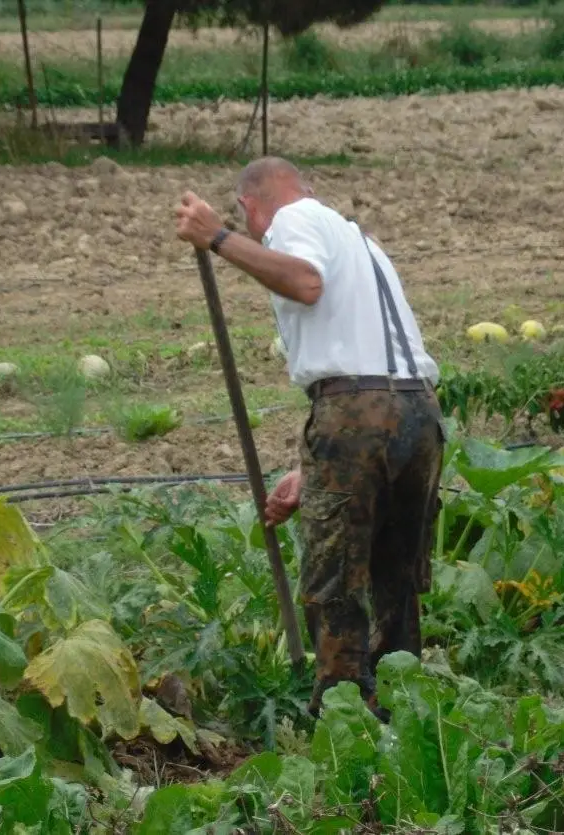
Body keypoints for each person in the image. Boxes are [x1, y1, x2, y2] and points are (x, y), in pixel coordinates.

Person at [174, 157, 444, 721]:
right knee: (396, 581)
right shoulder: (361, 243)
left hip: (355, 417)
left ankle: (342, 724)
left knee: (336, 582)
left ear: (249, 207)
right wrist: (313, 469)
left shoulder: (292, 219)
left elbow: (305, 283)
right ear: (309, 187)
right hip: (419, 412)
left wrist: (218, 238)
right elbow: (371, 366)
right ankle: (404, 715)